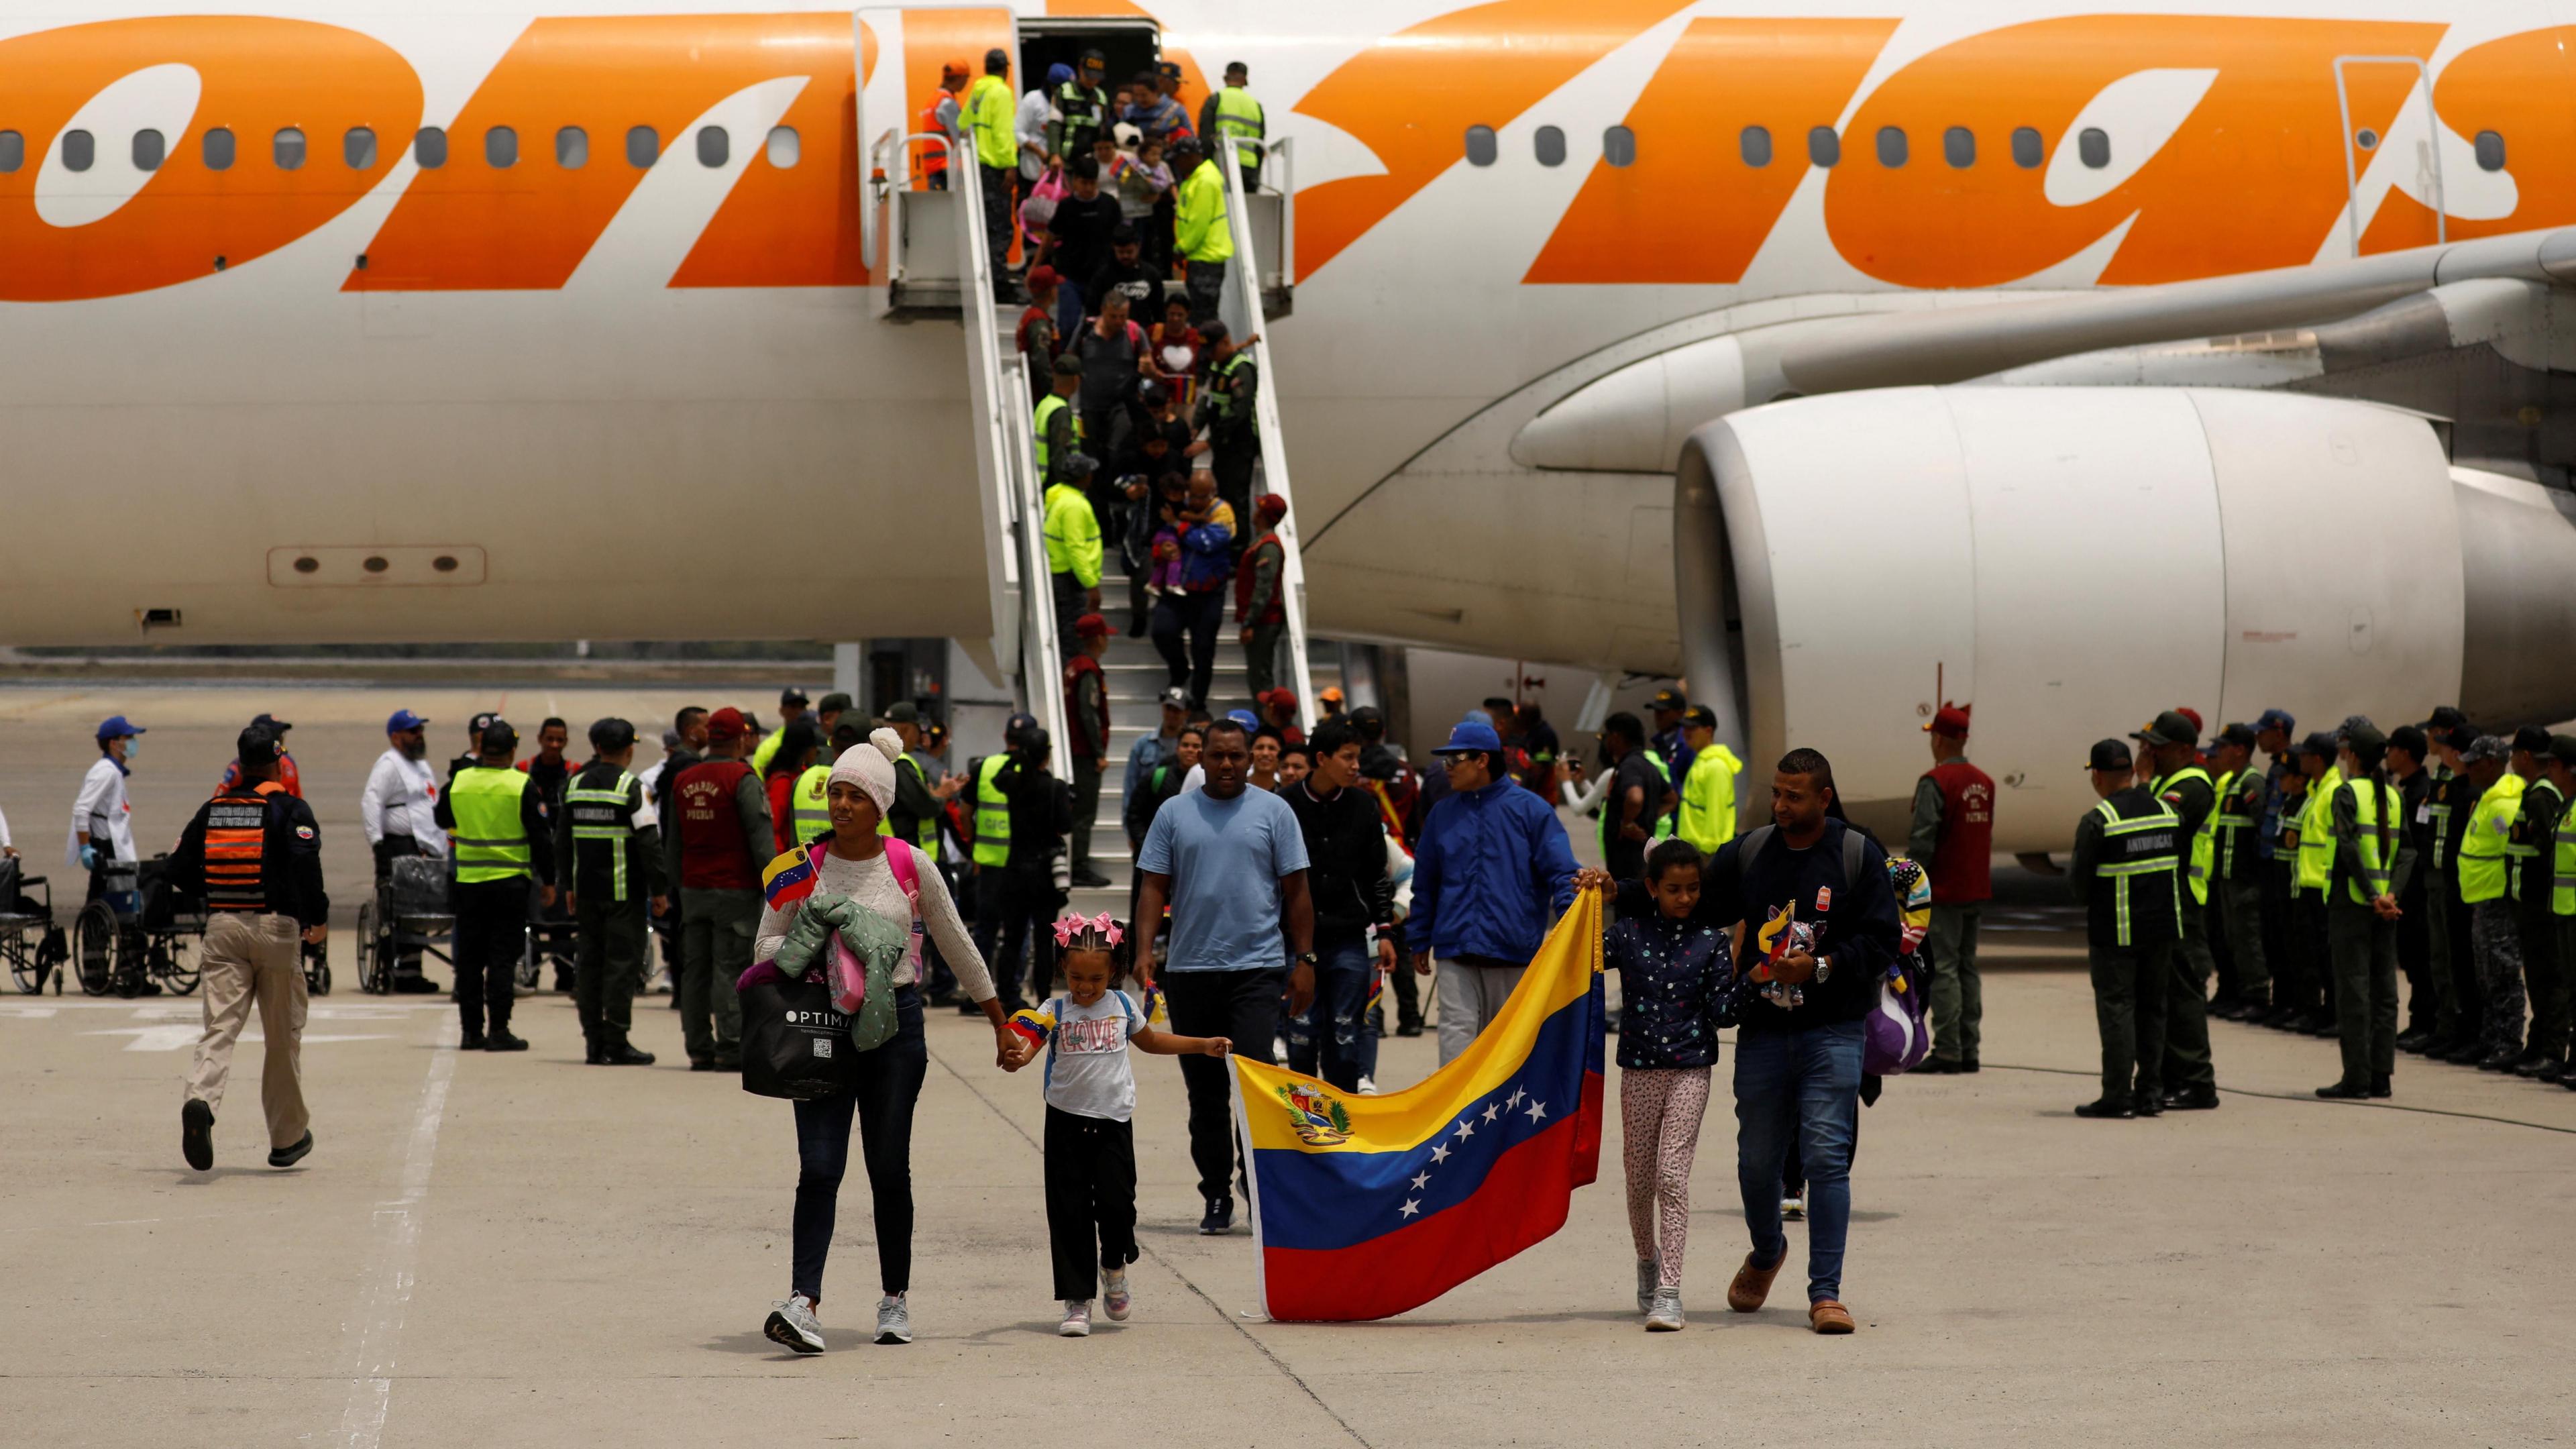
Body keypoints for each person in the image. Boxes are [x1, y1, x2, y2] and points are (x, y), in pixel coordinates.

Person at [756, 730, 1014, 1355]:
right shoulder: (801, 866)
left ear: (881, 805)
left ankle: (894, 1299)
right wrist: (815, 942)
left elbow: (957, 944)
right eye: (835, 793)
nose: (841, 805)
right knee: (819, 1168)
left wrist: (1000, 1022)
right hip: (820, 1027)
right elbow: (764, 946)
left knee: (887, 1168)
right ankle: (804, 1302)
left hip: (895, 1026)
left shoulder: (908, 865)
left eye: (855, 796)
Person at [1002, 914, 1230, 1337]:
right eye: (1075, 978)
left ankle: (1114, 1266)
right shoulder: (1051, 1010)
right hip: (1066, 1124)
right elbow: (1026, 1049)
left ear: (1115, 973)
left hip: (1113, 1124)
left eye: (1095, 979)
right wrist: (1016, 1057)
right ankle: (1077, 1301)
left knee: (1118, 1207)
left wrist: (1202, 1045)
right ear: (1061, 972)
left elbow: (1153, 1042)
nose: (1085, 988)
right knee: (1068, 1211)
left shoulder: (1123, 1007)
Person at [1131, 718, 1313, 1234]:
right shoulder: (1174, 813)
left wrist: (1306, 961)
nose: (1228, 764)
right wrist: (1144, 951)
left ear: (1251, 757)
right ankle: (1215, 1194)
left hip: (1256, 972)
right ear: (1201, 758)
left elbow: (1298, 892)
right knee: (1206, 1096)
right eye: (1218, 756)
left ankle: (1258, 1192)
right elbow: (1152, 888)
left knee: (1255, 1089)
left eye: (1237, 756)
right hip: (1190, 972)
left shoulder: (1275, 812)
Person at [167, 726, 329, 1172]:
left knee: (220, 1028)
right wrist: (318, 917)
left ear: (239, 765)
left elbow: (177, 868)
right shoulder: (290, 808)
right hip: (275, 929)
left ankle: (200, 1099)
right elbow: (305, 864)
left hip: (222, 926)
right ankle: (287, 1139)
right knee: (281, 1039)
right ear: (278, 762)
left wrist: (214, 889)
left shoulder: (214, 808)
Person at [1605, 839, 1750, 1332]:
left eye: (1692, 889)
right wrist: (1591, 896)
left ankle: (1669, 1290)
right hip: (1639, 1072)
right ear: (1651, 888)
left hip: (1691, 1069)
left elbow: (1724, 1012)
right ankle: (1646, 1261)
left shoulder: (1710, 941)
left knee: (1671, 1176)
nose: (1684, 898)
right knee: (1638, 1181)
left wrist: (1758, 973)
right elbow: (1577, 960)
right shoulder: (1626, 934)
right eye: (1673, 889)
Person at [1408, 718, 1579, 1065]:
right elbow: (1425, 881)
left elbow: (1562, 874)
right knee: (1455, 1047)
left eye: (1455, 760)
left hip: (1513, 952)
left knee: (1506, 1057)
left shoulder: (1532, 811)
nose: (1447, 769)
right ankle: (1455, 1120)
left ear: (1482, 761)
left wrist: (1571, 935)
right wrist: (1419, 937)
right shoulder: (1442, 814)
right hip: (1455, 951)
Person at [1278, 718, 1395, 1093]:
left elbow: (1378, 874)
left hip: (1349, 940)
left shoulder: (1364, 805)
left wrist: (1386, 932)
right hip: (1296, 943)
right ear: (1322, 759)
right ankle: (1303, 1136)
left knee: (1345, 1042)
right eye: (1348, 758)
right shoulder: (1284, 805)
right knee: (1300, 1042)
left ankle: (1341, 1133)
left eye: (1357, 757)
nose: (1356, 765)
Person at [2068, 739, 2180, 1119]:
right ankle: (2150, 1093)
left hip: (2117, 933)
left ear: (2097, 775)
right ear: (2131, 771)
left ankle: (2117, 1096)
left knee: (2118, 1012)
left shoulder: (2099, 820)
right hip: (2162, 929)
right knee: (2153, 1010)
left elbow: (2079, 888)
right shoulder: (2166, 811)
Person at [434, 719, 556, 1052]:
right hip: (510, 885)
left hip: (469, 883)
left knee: (470, 961)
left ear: (481, 749)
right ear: (512, 751)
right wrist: (550, 880)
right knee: (502, 958)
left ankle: (471, 1032)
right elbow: (541, 837)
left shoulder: (459, 781)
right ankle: (499, 1030)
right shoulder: (520, 785)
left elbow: (442, 818)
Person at [667, 707, 772, 1071]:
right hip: (734, 890)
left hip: (693, 890)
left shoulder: (684, 779)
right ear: (741, 738)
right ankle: (730, 1047)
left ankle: (698, 1047)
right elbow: (761, 841)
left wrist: (676, 888)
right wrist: (774, 887)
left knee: (695, 970)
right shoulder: (743, 779)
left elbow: (674, 842)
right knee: (729, 968)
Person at [557, 718, 665, 1067]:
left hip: (586, 894)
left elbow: (561, 843)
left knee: (589, 965)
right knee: (621, 966)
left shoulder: (574, 786)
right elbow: (649, 843)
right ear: (629, 749)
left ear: (597, 747)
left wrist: (568, 887)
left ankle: (593, 1041)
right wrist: (660, 889)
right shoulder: (631, 788)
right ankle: (616, 1040)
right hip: (623, 896)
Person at [2131, 710, 2220, 1110]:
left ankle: (2198, 1083)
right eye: (2144, 744)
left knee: (2184, 993)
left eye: (2157, 746)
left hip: (2184, 900)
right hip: (2166, 900)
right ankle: (2171, 1077)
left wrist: (2145, 783)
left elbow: (2154, 828)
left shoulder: (2191, 785)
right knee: (2164, 991)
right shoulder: (2170, 782)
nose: (2147, 752)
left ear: (2185, 750)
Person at [2316, 724, 2409, 1099]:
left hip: (2353, 905)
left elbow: (2348, 847)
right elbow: (2407, 853)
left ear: (2353, 755)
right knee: (2384, 992)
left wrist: (2373, 896)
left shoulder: (2347, 792)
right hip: (2386, 909)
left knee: (2354, 992)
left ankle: (2356, 1077)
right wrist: (2391, 894)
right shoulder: (2393, 796)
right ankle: (2381, 1076)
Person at [1899, 704, 1990, 1073]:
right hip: (1975, 888)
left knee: (1946, 968)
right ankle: (1970, 1047)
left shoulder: (1935, 782)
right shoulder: (1984, 782)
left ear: (1938, 739)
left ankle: (1949, 1049)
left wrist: (1907, 885)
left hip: (1944, 891)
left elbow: (1923, 842)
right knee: (1968, 967)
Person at [969, 721, 1073, 1011]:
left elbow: (998, 780)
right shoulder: (1056, 788)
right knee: (1044, 938)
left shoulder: (1014, 784)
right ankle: (1043, 996)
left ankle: (1008, 995)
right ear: (1047, 755)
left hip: (1013, 870)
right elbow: (1065, 825)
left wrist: (1017, 758)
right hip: (1044, 875)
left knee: (1012, 937)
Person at [360, 708, 447, 993]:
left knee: (422, 910)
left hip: (425, 846)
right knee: (403, 909)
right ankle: (399, 970)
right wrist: (378, 843)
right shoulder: (389, 764)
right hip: (400, 846)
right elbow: (371, 801)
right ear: (396, 737)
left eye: (420, 730)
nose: (419, 735)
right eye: (413, 731)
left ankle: (411, 971)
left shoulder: (419, 764)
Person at [2455, 735, 2528, 1069]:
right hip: (2482, 899)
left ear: (2493, 763)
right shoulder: (2488, 798)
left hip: (2497, 900)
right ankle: (2492, 1039)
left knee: (2502, 974)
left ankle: (2508, 1042)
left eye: (2474, 762)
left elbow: (2513, 849)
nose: (2467, 768)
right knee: (2487, 976)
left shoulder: (2503, 804)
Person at [2506, 724, 2569, 1081]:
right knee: (2538, 979)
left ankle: (2551, 1049)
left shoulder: (2541, 798)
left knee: (2549, 980)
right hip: (2528, 905)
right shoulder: (2534, 793)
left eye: (2514, 754)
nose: (2511, 760)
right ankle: (2538, 1042)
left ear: (2525, 756)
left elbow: (2550, 852)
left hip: (2540, 906)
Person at [2420, 722, 2484, 1061]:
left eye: (2445, 745)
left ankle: (2468, 1030)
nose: (2439, 748)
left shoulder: (2470, 792)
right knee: (2446, 960)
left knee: (2463, 962)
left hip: (2464, 886)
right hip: (2447, 881)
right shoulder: (2450, 785)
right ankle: (2452, 1028)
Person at [1152, 468, 1234, 708]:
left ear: (1213, 493)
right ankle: (1179, 671)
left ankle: (1198, 703)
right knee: (1162, 631)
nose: (1195, 501)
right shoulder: (1182, 505)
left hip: (1208, 595)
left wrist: (1178, 524)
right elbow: (1164, 532)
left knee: (1204, 650)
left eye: (1201, 497)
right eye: (1193, 495)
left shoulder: (1223, 513)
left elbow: (1206, 542)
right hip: (1177, 591)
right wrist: (1163, 549)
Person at [2206, 724, 2270, 1022]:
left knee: (2248, 939)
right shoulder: (2233, 782)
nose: (2219, 752)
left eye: (2224, 746)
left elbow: (2262, 829)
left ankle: (2257, 996)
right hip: (2228, 876)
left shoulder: (2251, 783)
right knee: (2231, 938)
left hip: (2245, 878)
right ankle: (2233, 992)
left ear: (2240, 750)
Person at [2386, 726, 2438, 1049]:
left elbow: (2416, 847)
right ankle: (2418, 1020)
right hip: (2409, 889)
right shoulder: (2408, 791)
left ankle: (2426, 1022)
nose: (2387, 755)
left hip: (2418, 891)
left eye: (2392, 749)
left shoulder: (2423, 792)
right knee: (2411, 957)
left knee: (2421, 957)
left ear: (2404, 753)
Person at [1185, 321, 1258, 541]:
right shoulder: (1217, 367)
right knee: (1222, 495)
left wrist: (1208, 442)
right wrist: (1196, 427)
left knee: (1236, 497)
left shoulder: (1241, 369)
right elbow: (1207, 401)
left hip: (1239, 444)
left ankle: (1238, 548)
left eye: (1213, 350)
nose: (1210, 356)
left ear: (1226, 342)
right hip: (1223, 446)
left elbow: (1238, 412)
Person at [70, 715, 144, 924]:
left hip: (112, 848)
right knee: (101, 905)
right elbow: (81, 809)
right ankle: (96, 954)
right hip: (104, 850)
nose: (133, 742)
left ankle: (120, 953)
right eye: (128, 737)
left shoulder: (114, 772)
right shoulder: (105, 772)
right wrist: (85, 848)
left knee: (120, 903)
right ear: (114, 743)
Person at [1064, 614, 1115, 888]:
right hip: (1084, 751)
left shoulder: (1072, 666)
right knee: (1085, 811)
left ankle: (1077, 862)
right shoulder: (1088, 669)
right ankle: (1079, 866)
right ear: (1098, 638)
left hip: (1076, 748)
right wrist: (1098, 752)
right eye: (1106, 635)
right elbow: (1088, 712)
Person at [964, 48, 1018, 294]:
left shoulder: (978, 91)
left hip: (978, 168)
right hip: (996, 168)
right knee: (1000, 228)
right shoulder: (1001, 92)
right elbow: (1004, 132)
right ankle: (999, 285)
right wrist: (1010, 165)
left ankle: (985, 280)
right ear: (1005, 69)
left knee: (984, 226)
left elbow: (963, 123)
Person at [1072, 289, 1147, 467]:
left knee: (1117, 451)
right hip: (1090, 404)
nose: (1118, 321)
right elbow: (1071, 358)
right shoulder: (1086, 330)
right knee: (1090, 454)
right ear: (1103, 311)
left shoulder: (1135, 332)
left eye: (1123, 316)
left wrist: (1147, 365)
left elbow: (1147, 357)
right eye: (1113, 316)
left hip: (1121, 405)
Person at [1170, 137, 1232, 323]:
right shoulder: (1199, 178)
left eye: (1179, 159)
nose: (1177, 164)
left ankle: (1208, 351)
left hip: (1205, 256)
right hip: (1203, 256)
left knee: (1204, 316)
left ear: (1191, 157)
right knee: (1202, 313)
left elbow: (1199, 222)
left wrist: (1182, 248)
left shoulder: (1204, 181)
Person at [1236, 495, 1289, 699]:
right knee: (1256, 676)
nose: (1255, 511)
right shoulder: (1260, 543)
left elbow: (1264, 588)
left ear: (1263, 515)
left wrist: (1249, 621)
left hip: (1263, 622)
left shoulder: (1268, 547)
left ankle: (1266, 722)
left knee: (1260, 678)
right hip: (1260, 621)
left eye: (1259, 509)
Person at [1197, 60, 1265, 193]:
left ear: (1226, 78)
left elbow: (1205, 137)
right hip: (1249, 168)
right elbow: (1260, 145)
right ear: (1245, 80)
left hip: (1223, 163)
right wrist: (1256, 175)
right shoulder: (1255, 105)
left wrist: (1207, 166)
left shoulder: (1216, 99)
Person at [763, 719, 823, 855]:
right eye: (814, 746)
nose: (816, 751)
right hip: (785, 856)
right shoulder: (783, 782)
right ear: (805, 750)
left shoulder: (799, 774)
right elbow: (773, 827)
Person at [213, 714, 303, 798]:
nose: (281, 739)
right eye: (277, 735)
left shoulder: (290, 763)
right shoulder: (235, 770)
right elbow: (218, 801)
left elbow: (299, 798)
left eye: (282, 735)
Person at [1048, 48, 1110, 164]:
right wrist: (1054, 154)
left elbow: (1103, 129)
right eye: (1089, 76)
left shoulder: (1101, 97)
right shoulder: (1064, 92)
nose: (1092, 81)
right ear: (1080, 69)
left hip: (1091, 161)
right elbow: (1054, 126)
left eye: (1096, 78)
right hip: (1065, 160)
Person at [917, 58, 966, 190]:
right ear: (961, 78)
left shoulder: (933, 101)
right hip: (946, 168)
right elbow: (959, 137)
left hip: (933, 168)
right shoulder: (948, 103)